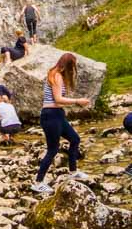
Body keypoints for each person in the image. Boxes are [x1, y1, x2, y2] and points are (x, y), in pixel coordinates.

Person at [31, 52, 91, 193]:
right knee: (52, 150)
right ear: (68, 65)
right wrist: (77, 101)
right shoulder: (56, 76)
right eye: (73, 66)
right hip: (50, 115)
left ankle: (73, 171)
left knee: (75, 139)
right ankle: (38, 182)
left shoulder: (55, 74)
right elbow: (58, 99)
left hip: (57, 114)